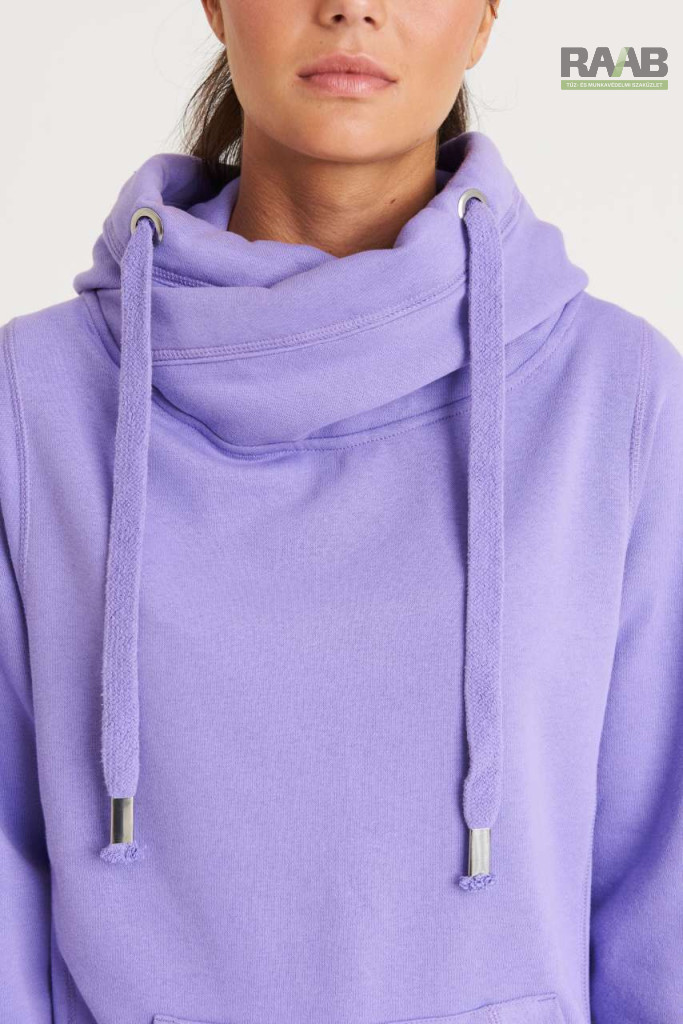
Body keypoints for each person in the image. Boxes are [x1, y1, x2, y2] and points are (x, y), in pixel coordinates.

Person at [1, 0, 681, 1021]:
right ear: (216, 6)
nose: (351, 7)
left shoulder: (614, 394)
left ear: (484, 19)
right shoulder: (36, 397)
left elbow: (658, 886)